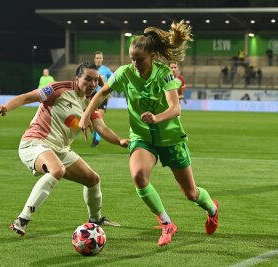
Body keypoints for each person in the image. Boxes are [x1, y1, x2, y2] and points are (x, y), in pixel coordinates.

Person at [79, 20, 219, 247]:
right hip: (142, 138)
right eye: (132, 59)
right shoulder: (125, 73)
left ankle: (212, 209)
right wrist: (86, 115)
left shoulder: (164, 74)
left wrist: (156, 118)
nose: (135, 64)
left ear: (152, 56)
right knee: (138, 176)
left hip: (170, 138)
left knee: (191, 194)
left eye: (140, 59)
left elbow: (175, 108)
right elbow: (102, 91)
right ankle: (166, 223)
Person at [0, 62, 128, 236]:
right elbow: (27, 97)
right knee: (57, 170)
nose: (93, 84)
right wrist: (6, 107)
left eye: (96, 80)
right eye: (88, 79)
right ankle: (22, 220)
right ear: (77, 78)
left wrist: (120, 141)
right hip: (35, 142)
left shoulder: (89, 102)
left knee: (93, 179)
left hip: (60, 150)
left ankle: (95, 220)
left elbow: (101, 127)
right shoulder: (58, 89)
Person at [91, 51, 113, 147]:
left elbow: (113, 78)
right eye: (97, 58)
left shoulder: (106, 70)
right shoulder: (90, 69)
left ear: (102, 59)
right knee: (92, 119)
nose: (99, 59)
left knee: (99, 116)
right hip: (92, 96)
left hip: (103, 95)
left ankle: (97, 139)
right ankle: (96, 135)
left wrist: (110, 88)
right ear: (94, 59)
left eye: (100, 58)